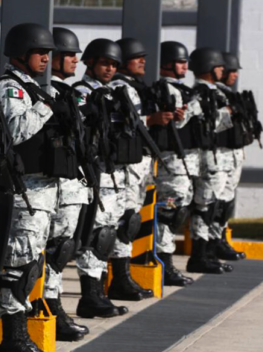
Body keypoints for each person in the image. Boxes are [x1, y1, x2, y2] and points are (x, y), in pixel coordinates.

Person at [0, 23, 58, 352]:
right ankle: (12, 338)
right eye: (39, 52)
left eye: (48, 53)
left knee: (29, 264)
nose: (46, 58)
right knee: (18, 264)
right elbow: (15, 130)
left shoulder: (32, 89)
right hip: (22, 190)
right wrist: (47, 106)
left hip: (39, 191)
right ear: (20, 53)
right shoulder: (9, 89)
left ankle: (18, 335)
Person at [105, 38, 170, 301]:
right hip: (127, 163)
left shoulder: (136, 87)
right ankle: (118, 279)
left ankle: (124, 275)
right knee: (126, 219)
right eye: (136, 57)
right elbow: (121, 124)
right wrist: (152, 120)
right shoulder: (118, 87)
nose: (142, 61)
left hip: (141, 160)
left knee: (132, 220)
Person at [73, 39, 130, 318]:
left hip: (113, 172)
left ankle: (100, 292)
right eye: (105, 63)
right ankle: (90, 296)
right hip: (93, 173)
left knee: (108, 233)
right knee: (96, 235)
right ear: (90, 62)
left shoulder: (114, 93)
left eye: (114, 65)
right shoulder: (81, 93)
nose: (110, 69)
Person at [42, 27, 90, 341]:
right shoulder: (46, 93)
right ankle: (49, 307)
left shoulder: (69, 93)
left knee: (63, 249)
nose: (75, 60)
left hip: (73, 181)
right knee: (55, 250)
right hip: (52, 185)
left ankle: (53, 304)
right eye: (68, 55)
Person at [151, 41, 198, 286]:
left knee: (177, 210)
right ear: (166, 64)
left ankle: (165, 261)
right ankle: (164, 262)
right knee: (169, 212)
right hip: (170, 161)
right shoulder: (163, 89)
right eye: (180, 62)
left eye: (185, 62)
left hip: (183, 161)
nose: (184, 66)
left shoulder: (183, 90)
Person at [187, 47, 235, 275]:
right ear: (208, 67)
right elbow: (202, 123)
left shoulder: (216, 92)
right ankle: (199, 255)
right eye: (218, 66)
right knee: (204, 206)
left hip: (219, 157)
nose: (223, 70)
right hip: (207, 158)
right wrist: (227, 113)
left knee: (214, 206)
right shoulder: (199, 94)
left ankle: (208, 252)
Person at [214, 53, 247, 261]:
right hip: (219, 154)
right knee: (216, 202)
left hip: (233, 153)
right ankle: (212, 243)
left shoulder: (229, 94)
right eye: (232, 71)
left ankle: (220, 239)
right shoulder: (212, 94)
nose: (235, 75)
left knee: (226, 202)